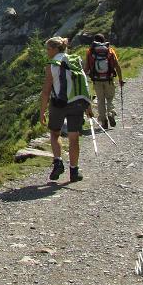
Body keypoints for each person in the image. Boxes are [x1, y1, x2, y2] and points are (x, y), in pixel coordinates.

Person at [39, 36, 93, 183]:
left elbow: (45, 91)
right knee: (74, 137)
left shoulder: (52, 65)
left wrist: (42, 111)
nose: (47, 52)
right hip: (77, 103)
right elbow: (83, 83)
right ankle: (74, 171)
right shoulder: (75, 61)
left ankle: (58, 162)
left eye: (48, 49)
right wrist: (88, 105)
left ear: (56, 49)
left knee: (55, 134)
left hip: (59, 104)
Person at [84, 33, 123, 129]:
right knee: (110, 98)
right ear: (104, 40)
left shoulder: (90, 52)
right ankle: (110, 112)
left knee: (100, 100)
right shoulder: (110, 50)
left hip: (96, 80)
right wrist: (121, 79)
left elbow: (86, 68)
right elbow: (117, 66)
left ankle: (103, 120)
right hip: (109, 79)